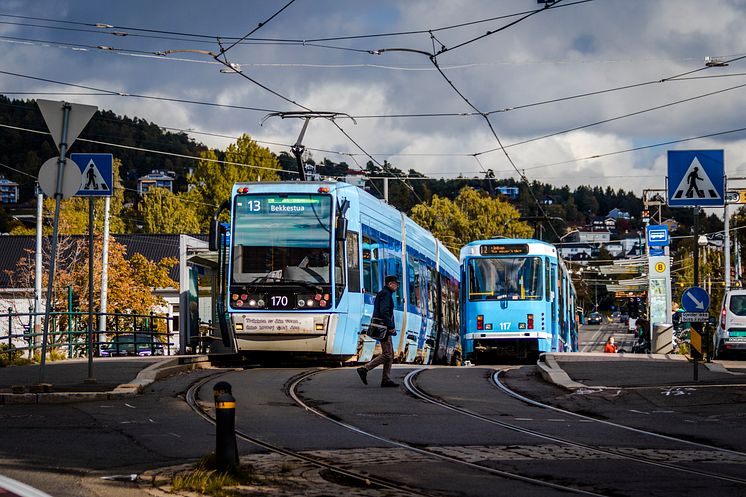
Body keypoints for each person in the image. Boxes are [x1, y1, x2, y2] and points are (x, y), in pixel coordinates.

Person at [357, 275, 399, 387]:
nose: (397, 286)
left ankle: (386, 379)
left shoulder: (384, 293)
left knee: (390, 354)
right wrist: (390, 326)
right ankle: (365, 369)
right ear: (390, 284)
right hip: (384, 328)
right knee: (387, 354)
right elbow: (384, 311)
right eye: (396, 284)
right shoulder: (386, 294)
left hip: (383, 328)